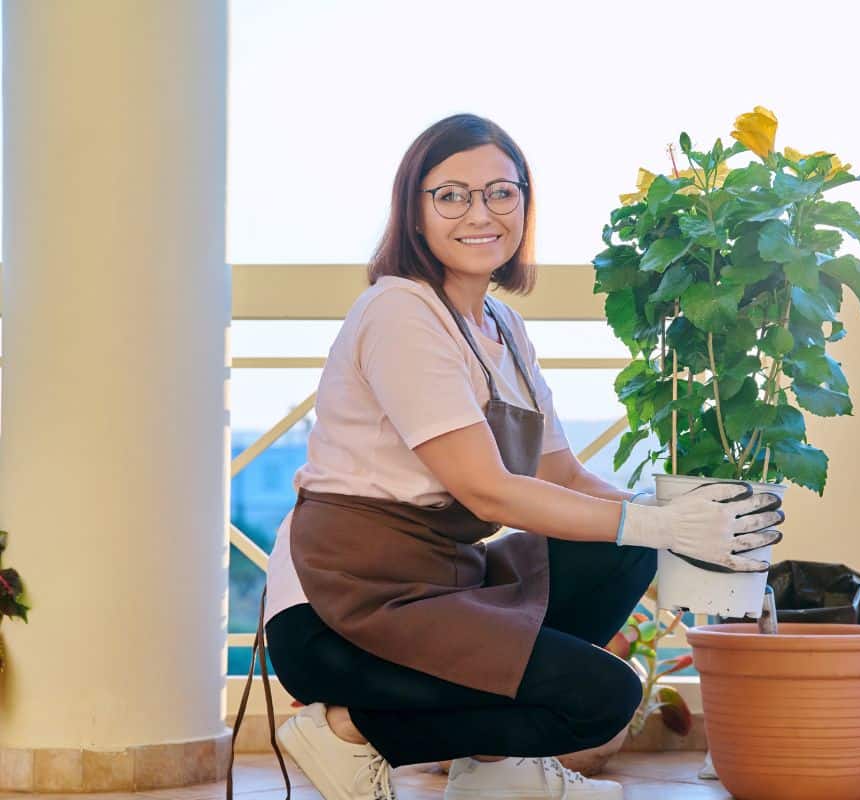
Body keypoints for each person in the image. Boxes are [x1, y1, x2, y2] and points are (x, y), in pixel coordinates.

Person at [252, 113, 784, 800]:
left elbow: (561, 473)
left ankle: (494, 772)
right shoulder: (400, 314)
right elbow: (488, 493)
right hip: (345, 603)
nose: (481, 213)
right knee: (600, 697)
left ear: (524, 204)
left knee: (625, 547)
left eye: (501, 193)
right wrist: (661, 525)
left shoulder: (502, 326)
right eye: (451, 195)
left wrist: (692, 525)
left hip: (445, 581)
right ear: (414, 213)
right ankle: (350, 728)